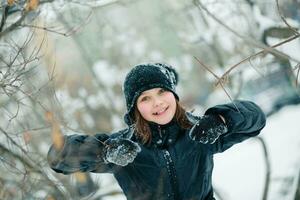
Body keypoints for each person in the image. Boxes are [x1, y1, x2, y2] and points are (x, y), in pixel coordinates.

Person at [47, 63, 266, 200]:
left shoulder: (199, 131)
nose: (158, 103)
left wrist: (222, 119)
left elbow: (256, 118)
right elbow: (58, 156)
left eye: (162, 92)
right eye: (145, 98)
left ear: (173, 95)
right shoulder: (123, 147)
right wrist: (103, 153)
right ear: (135, 109)